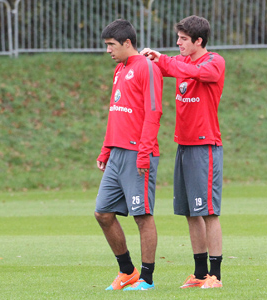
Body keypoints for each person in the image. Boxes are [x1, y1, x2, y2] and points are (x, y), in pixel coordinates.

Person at [141, 15, 225, 289]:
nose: (178, 43)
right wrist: (157, 58)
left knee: (209, 213)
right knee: (191, 212)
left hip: (205, 146)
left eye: (184, 39)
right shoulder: (182, 63)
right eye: (178, 38)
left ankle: (216, 276)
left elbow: (206, 73)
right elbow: (167, 66)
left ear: (199, 41)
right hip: (184, 146)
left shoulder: (214, 61)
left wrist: (170, 62)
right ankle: (200, 274)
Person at [95, 19, 163, 291]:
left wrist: (144, 153)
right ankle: (127, 271)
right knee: (103, 213)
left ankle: (147, 279)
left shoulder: (146, 67)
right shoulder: (119, 70)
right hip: (117, 153)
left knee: (142, 215)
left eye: (112, 45)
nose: (108, 51)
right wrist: (106, 148)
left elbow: (153, 112)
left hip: (138, 153)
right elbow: (116, 110)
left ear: (127, 43)